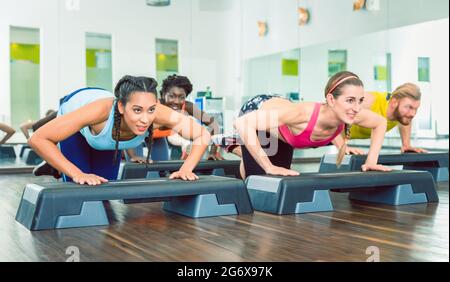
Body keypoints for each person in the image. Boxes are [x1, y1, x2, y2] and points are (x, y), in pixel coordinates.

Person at [29, 75, 211, 185]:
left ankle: (58, 165)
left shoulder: (160, 113)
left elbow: (202, 133)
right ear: (122, 107)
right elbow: (38, 139)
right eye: (137, 110)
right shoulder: (100, 111)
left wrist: (186, 169)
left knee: (104, 190)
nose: (145, 119)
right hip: (79, 114)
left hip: (106, 140)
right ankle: (56, 165)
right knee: (82, 188)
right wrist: (76, 173)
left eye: (151, 109)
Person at [233, 71, 391, 179]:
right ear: (331, 100)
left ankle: (246, 152)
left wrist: (371, 162)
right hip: (257, 109)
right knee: (257, 177)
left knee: (279, 178)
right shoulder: (301, 115)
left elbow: (380, 122)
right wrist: (268, 166)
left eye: (360, 100)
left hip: (283, 128)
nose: (357, 108)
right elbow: (242, 123)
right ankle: (234, 146)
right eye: (350, 100)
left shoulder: (350, 113)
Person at [332, 83, 427, 154]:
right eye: (409, 107)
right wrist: (342, 147)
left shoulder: (401, 114)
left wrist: (406, 144)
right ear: (394, 103)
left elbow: (406, 121)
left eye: (416, 109)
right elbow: (332, 111)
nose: (413, 114)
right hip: (322, 134)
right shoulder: (369, 100)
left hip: (335, 138)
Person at [156, 74, 224, 160]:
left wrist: (213, 152)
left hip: (158, 138)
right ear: (163, 94)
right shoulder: (155, 106)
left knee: (161, 170)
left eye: (181, 97)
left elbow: (214, 124)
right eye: (171, 96)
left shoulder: (187, 106)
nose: (176, 101)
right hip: (138, 139)